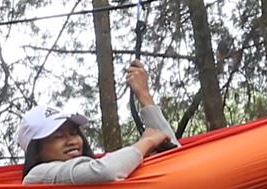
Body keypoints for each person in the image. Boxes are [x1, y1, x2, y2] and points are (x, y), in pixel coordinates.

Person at [18, 59, 179, 182]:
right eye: (58, 136)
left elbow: (176, 159)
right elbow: (105, 171)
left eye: (74, 133)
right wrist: (148, 142)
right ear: (36, 151)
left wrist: (144, 96)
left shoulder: (106, 166)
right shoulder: (36, 176)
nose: (71, 141)